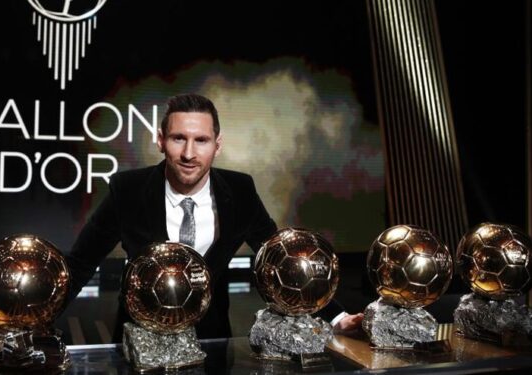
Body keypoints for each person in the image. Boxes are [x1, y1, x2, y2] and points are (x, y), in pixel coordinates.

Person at [65, 93, 363, 341]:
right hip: (139, 339)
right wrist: (32, 318)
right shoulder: (126, 190)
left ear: (217, 145)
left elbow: (280, 264)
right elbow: (80, 264)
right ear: (160, 140)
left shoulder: (240, 190)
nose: (189, 153)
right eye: (178, 138)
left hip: (213, 342)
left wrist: (337, 317)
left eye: (202, 140)